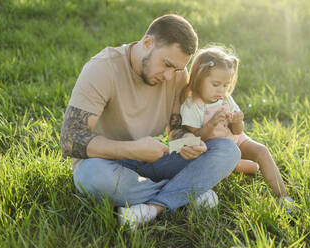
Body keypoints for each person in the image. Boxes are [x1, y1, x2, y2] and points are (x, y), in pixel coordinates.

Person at [60, 14, 241, 229]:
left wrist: (187, 143)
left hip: (153, 157)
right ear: (147, 43)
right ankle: (187, 192)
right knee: (93, 177)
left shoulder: (176, 74)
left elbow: (175, 130)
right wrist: (132, 150)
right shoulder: (102, 69)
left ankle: (152, 206)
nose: (168, 76)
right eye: (166, 64)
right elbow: (70, 139)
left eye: (176, 69)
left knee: (227, 151)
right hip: (106, 162)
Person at [179, 46, 294, 206]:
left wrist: (237, 121)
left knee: (262, 151)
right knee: (225, 171)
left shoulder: (226, 100)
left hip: (236, 140)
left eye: (225, 85)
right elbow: (196, 138)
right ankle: (239, 167)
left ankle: (284, 197)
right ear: (199, 78)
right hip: (214, 150)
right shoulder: (192, 106)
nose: (221, 90)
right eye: (216, 84)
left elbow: (238, 132)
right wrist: (211, 124)